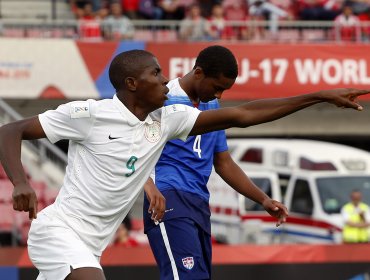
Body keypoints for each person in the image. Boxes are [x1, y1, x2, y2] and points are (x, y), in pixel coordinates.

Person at [0, 48, 368, 280]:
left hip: (94, 244)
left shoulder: (167, 120)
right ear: (132, 83)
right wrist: (20, 182)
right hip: (59, 232)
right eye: (156, 74)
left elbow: (243, 114)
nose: (164, 81)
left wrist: (317, 96)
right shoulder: (89, 114)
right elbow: (10, 129)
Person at [142, 45, 368, 280]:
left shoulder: (210, 105)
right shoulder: (161, 102)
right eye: (217, 87)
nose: (219, 95)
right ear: (198, 73)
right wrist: (147, 184)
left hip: (198, 203)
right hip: (169, 199)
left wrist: (263, 199)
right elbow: (128, 150)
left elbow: (224, 163)